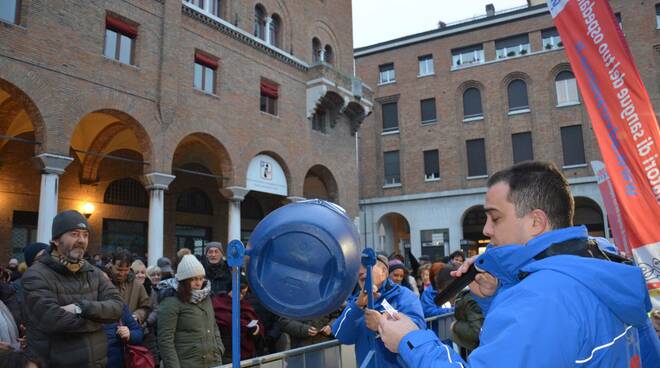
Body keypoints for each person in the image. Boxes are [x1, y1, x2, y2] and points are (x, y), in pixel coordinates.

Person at [376, 161, 660, 367]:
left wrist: (410, 341)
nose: (486, 230)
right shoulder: (602, 262)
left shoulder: (541, 298)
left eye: (495, 218)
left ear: (536, 222)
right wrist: (497, 297)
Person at [21, 210, 123, 367]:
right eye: (74, 234)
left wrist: (80, 308)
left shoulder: (93, 272)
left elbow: (117, 307)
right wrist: (99, 319)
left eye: (85, 235)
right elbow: (52, 319)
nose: (81, 240)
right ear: (56, 240)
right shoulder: (35, 275)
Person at [331, 254, 425, 367]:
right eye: (357, 268)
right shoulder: (357, 301)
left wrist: (381, 323)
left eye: (366, 266)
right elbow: (341, 335)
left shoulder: (404, 296)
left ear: (384, 272)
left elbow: (417, 331)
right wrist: (357, 307)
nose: (360, 271)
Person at [158, 254, 224, 367]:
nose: (198, 283)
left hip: (212, 362)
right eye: (193, 279)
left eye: (200, 278)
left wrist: (219, 348)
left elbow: (213, 326)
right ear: (184, 280)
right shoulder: (171, 301)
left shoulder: (206, 297)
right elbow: (166, 339)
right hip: (186, 363)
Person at [212, 271, 263, 363]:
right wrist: (245, 326)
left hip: (248, 354)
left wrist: (256, 329)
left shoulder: (245, 304)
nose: (240, 296)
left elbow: (257, 322)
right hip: (228, 353)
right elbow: (229, 321)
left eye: (243, 293)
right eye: (238, 291)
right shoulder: (219, 303)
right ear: (230, 290)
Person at [109, 250, 151, 324]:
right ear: (112, 264)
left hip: (128, 330)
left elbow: (146, 307)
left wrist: (137, 315)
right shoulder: (103, 280)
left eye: (126, 270)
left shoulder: (137, 285)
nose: (122, 274)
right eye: (119, 270)